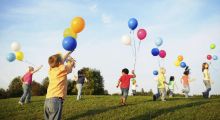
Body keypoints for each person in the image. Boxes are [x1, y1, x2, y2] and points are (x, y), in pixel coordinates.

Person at [44, 51, 75, 120]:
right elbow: (70, 67)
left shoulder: (50, 70)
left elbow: (61, 61)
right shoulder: (62, 69)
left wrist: (68, 53)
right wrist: (71, 61)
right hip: (56, 100)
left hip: (47, 99)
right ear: (59, 63)